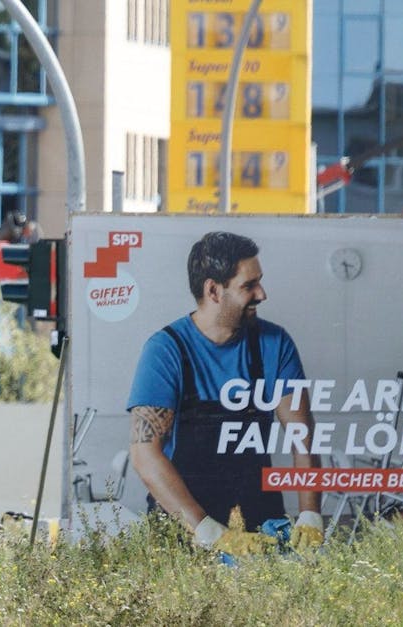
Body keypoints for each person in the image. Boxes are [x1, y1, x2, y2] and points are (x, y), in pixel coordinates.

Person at [127, 231, 323, 556]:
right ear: (213, 290)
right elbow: (145, 455)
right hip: (184, 528)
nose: (262, 294)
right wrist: (208, 532)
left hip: (260, 522)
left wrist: (310, 515)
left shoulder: (275, 345)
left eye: (259, 282)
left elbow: (303, 438)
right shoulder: (165, 351)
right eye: (249, 285)